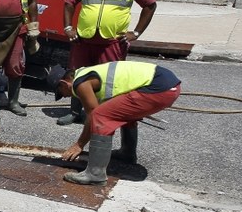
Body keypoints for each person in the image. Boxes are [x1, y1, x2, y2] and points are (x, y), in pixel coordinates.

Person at [56, 0, 157, 126]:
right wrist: (69, 28)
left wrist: (136, 32)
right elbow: (69, 2)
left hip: (111, 41)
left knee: (107, 81)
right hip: (84, 39)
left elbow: (150, 5)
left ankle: (99, 115)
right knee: (77, 74)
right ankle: (74, 112)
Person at [46, 61, 181, 185]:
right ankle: (127, 153)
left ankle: (95, 174)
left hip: (158, 88)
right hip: (168, 86)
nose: (65, 96)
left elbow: (93, 116)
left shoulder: (80, 83)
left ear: (64, 83)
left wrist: (79, 144)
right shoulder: (87, 72)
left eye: (61, 93)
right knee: (118, 111)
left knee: (100, 116)